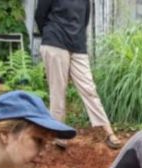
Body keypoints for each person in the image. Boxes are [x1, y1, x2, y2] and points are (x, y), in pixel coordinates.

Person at [35, 0, 122, 150]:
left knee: (89, 89)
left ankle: (108, 132)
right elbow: (39, 16)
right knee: (58, 92)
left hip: (77, 46)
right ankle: (59, 135)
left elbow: (84, 21)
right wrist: (51, 34)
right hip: (55, 43)